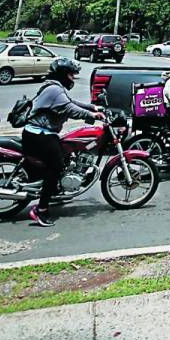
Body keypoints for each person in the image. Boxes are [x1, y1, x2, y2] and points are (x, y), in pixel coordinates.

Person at [23, 57, 104, 227]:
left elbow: (70, 102)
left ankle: (54, 192)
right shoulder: (54, 89)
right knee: (56, 166)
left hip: (39, 133)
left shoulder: (55, 88)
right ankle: (41, 210)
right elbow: (69, 109)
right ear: (62, 74)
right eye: (71, 75)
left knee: (64, 157)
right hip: (40, 135)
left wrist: (92, 107)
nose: (73, 78)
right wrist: (92, 116)